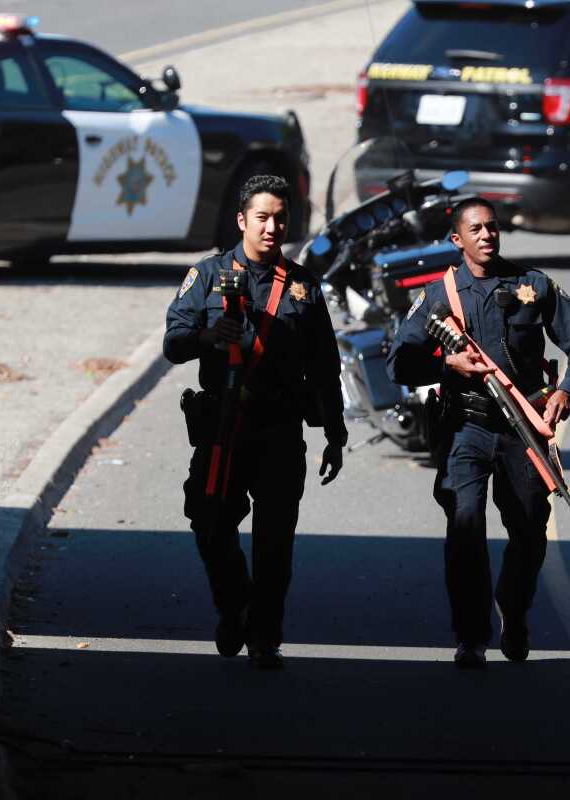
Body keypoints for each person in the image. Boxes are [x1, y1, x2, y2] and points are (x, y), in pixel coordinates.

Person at [387, 198, 570, 668]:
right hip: (465, 425)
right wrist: (447, 362)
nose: (486, 235)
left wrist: (568, 390)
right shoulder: (440, 295)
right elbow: (399, 361)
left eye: (492, 227)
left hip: (523, 426)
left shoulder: (532, 285)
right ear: (456, 239)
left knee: (528, 529)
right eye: (476, 229)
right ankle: (471, 636)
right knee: (465, 525)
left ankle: (514, 607)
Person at [164, 174, 347, 670]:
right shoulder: (206, 275)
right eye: (262, 218)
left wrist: (335, 434)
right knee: (209, 523)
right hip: (223, 425)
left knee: (275, 539)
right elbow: (173, 344)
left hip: (281, 429)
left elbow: (326, 365)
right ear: (242, 219)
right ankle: (233, 605)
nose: (272, 228)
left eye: (280, 219)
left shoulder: (305, 286)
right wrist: (208, 337)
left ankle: (266, 636)